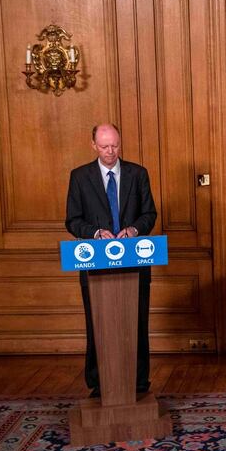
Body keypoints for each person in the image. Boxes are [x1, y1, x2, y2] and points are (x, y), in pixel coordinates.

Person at [65, 124, 157, 397]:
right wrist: (94, 233)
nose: (110, 152)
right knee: (97, 324)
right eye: (104, 147)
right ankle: (98, 382)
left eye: (115, 146)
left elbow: (149, 214)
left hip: (134, 261)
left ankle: (139, 381)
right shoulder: (80, 177)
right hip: (95, 263)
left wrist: (133, 230)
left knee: (136, 322)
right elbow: (72, 220)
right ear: (93, 145)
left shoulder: (138, 174)